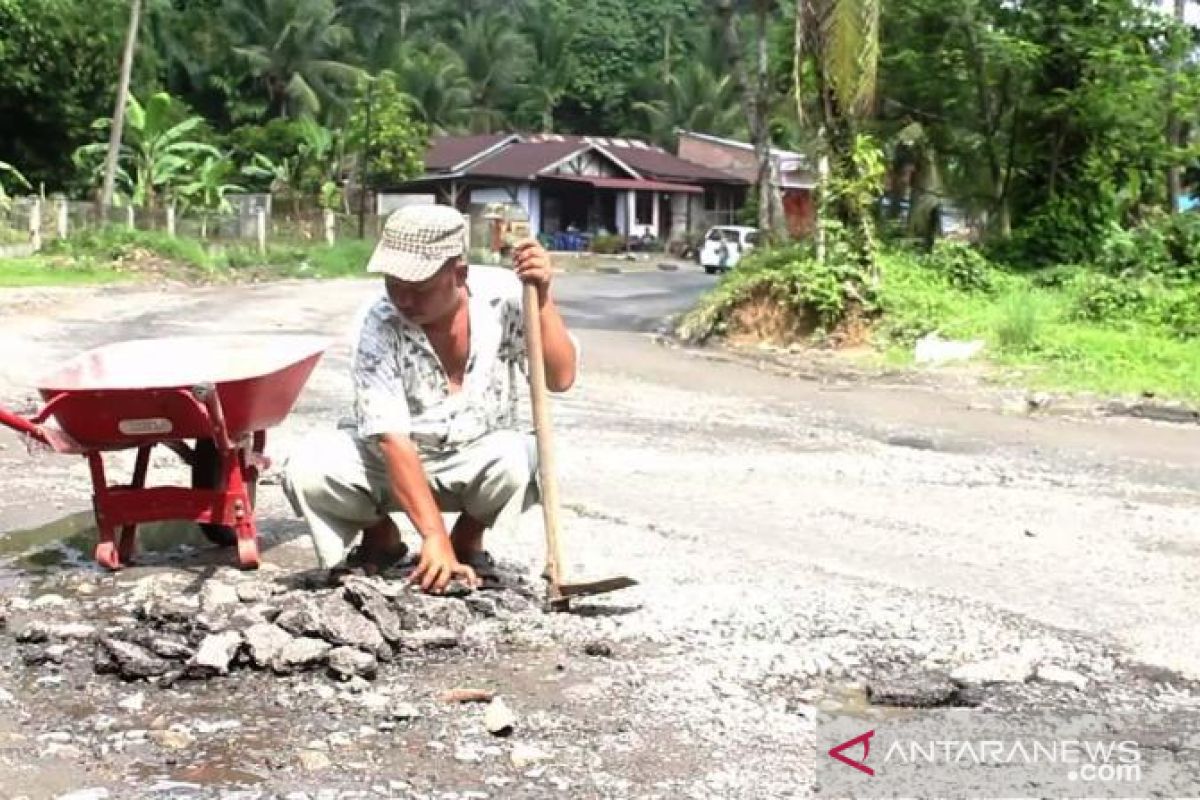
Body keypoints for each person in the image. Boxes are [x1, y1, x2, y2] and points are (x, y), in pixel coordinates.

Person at [282, 204, 578, 594]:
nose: (403, 299)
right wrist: (430, 537)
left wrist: (541, 297)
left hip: (474, 452)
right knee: (309, 469)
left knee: (524, 455)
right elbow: (391, 438)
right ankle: (381, 537)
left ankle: (467, 542)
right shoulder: (378, 321)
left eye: (418, 288)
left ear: (459, 274)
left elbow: (559, 378)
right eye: (394, 284)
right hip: (392, 462)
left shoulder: (505, 298)